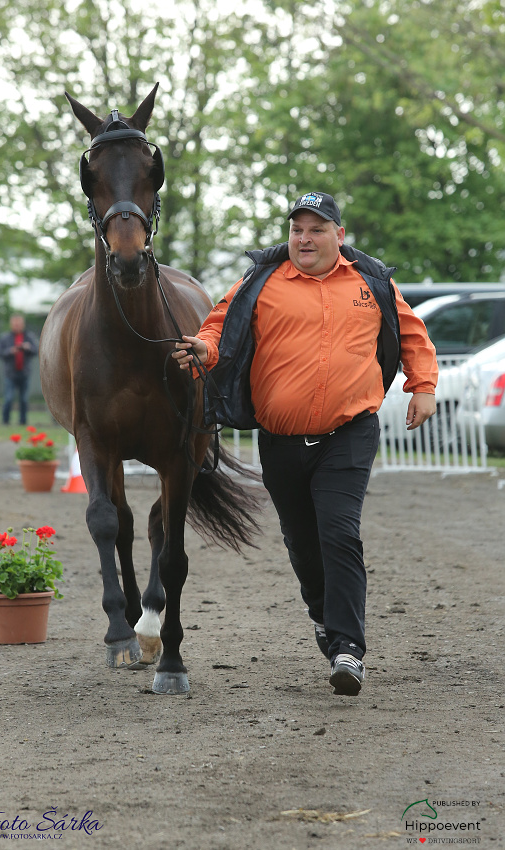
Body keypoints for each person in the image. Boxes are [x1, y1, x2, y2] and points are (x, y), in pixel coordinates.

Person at [173, 191, 438, 696]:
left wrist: (422, 386)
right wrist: (203, 350)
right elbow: (218, 327)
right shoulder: (260, 282)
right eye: (298, 229)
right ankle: (322, 612)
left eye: (317, 229)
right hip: (281, 441)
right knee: (301, 541)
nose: (305, 238)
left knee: (340, 534)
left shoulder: (373, 282)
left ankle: (347, 649)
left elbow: (411, 334)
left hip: (349, 434)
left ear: (339, 235)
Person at [0, 314, 38, 425]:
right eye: (15, 323)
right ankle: (5, 421)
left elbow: (36, 351)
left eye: (19, 323)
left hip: (24, 373)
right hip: (10, 373)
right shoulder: (5, 338)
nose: (17, 326)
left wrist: (27, 348)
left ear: (23, 324)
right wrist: (11, 351)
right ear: (11, 324)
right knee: (8, 398)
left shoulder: (29, 337)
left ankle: (23, 422)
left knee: (24, 399)